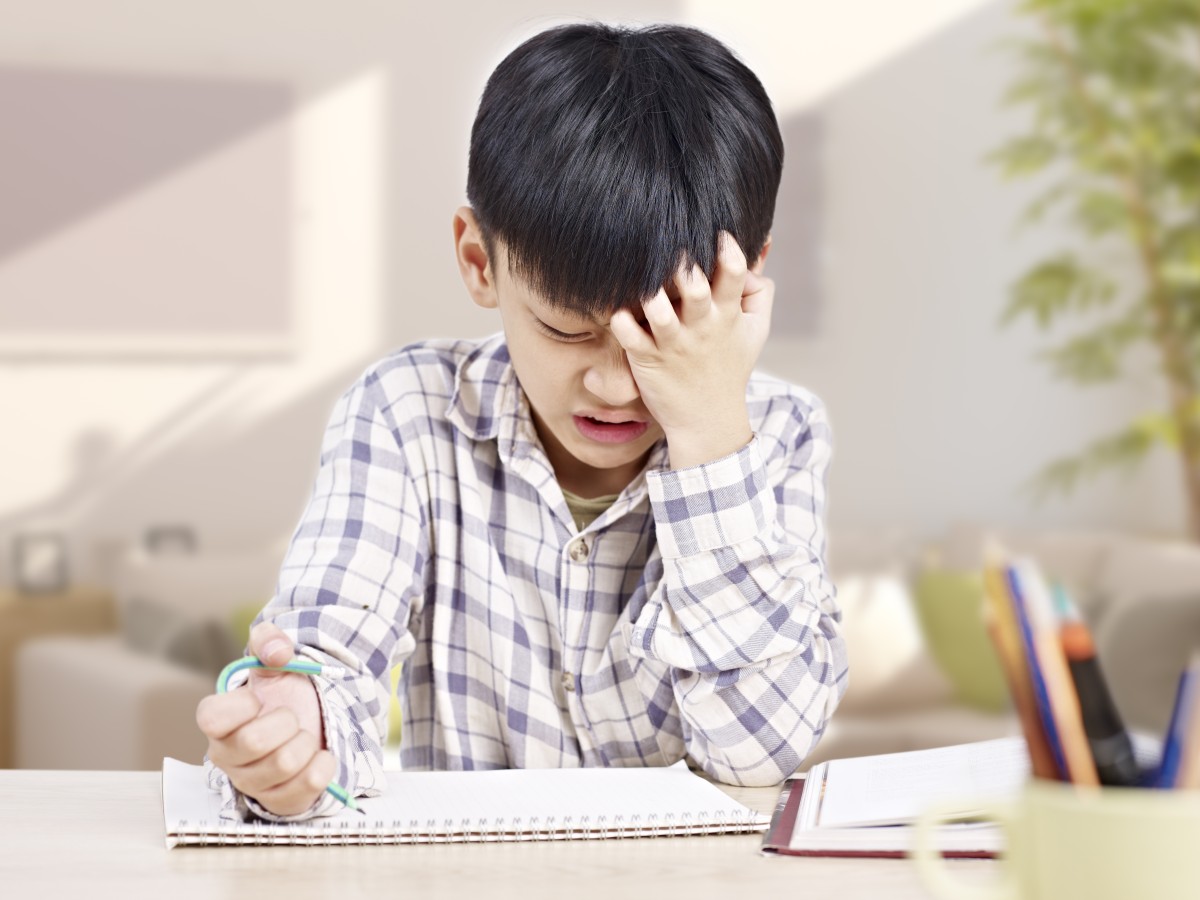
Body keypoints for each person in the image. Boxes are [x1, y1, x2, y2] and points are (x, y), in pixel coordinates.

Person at [195, 21, 848, 822]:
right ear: (479, 261)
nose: (615, 384)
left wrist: (710, 432)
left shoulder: (775, 435)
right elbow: (330, 650)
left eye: (662, 335)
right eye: (568, 331)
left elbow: (762, 748)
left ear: (745, 282)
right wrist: (296, 731)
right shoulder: (408, 412)